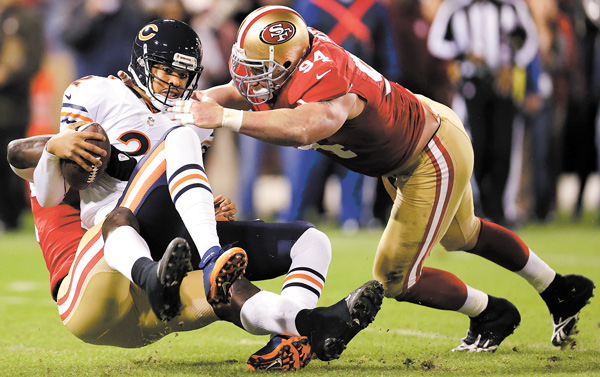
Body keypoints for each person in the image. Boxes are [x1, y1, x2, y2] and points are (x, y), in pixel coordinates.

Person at [172, 5, 595, 352]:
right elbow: (237, 91)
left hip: (428, 153)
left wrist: (225, 118)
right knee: (463, 234)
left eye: (258, 69)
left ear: (287, 60)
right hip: (416, 138)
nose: (249, 78)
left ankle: (491, 312)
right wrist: (192, 103)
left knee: (394, 275)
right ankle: (559, 288)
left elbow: (308, 125)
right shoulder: (291, 60)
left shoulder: (322, 76)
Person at [15, 18, 384, 370]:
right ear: (143, 64)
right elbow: (42, 186)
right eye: (166, 71)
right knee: (177, 139)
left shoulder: (193, 109)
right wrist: (53, 148)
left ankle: (303, 329)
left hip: (163, 269)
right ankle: (209, 257)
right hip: (114, 262)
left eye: (183, 74)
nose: (175, 83)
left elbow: (233, 98)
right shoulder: (97, 93)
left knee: (310, 242)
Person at [8, 121, 384, 372]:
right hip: (89, 286)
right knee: (141, 187)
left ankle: (307, 329)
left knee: (224, 287)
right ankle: (191, 259)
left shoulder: (115, 187)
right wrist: (59, 142)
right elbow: (16, 153)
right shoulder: (58, 171)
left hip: (146, 303)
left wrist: (200, 212)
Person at [427, 0, 540, 227]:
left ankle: (499, 208)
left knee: (504, 147)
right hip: (471, 85)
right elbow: (436, 42)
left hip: (502, 84)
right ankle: (476, 207)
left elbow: (529, 40)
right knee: (473, 146)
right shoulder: (456, 7)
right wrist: (464, 54)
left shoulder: (510, 5)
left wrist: (513, 63)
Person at [0, 0, 44, 231]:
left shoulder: (27, 19)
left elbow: (33, 61)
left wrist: (9, 75)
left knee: (10, 160)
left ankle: (11, 216)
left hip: (11, 108)